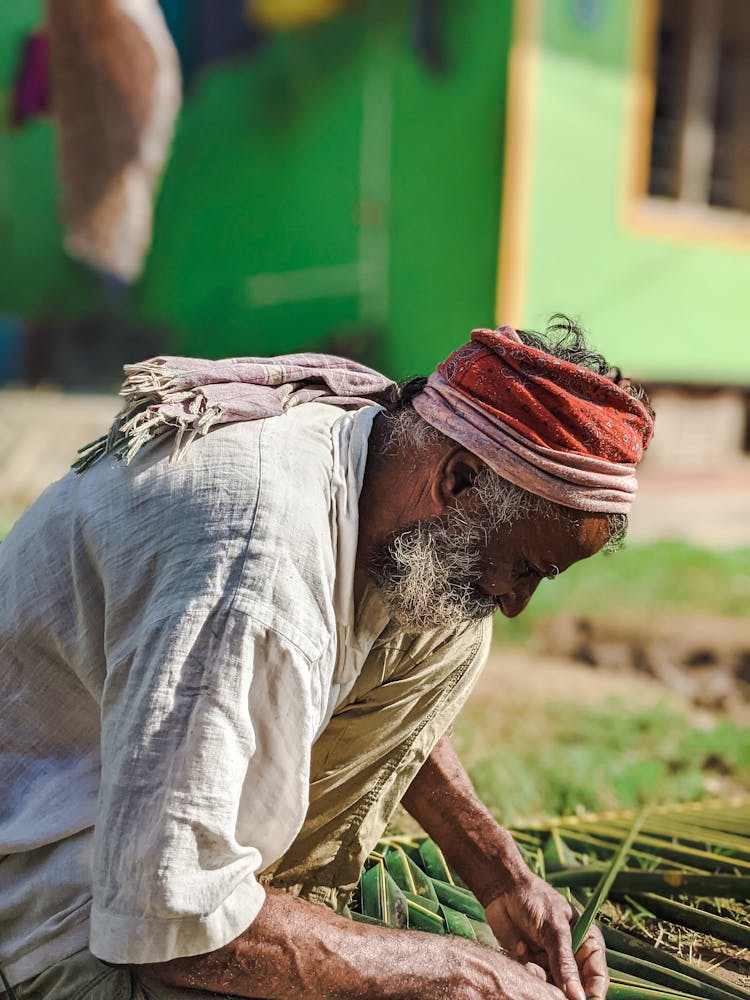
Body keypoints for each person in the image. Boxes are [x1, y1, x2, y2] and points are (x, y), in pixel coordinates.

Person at [0, 319, 654, 1000]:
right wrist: (456, 972)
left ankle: (261, 899)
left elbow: (365, 670)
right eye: (525, 566)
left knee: (456, 622)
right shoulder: (258, 575)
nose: (520, 601)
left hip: (141, 822)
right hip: (54, 905)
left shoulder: (374, 461)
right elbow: (163, 921)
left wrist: (500, 873)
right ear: (459, 480)